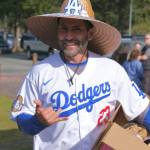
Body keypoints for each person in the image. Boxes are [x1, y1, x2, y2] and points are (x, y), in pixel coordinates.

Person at [11, 0, 150, 150]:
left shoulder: (112, 70)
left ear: (89, 34)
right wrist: (37, 121)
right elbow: (21, 118)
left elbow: (142, 110)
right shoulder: (39, 72)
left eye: (76, 29)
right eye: (63, 29)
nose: (68, 36)